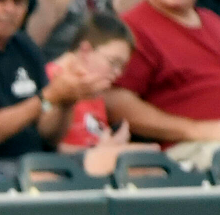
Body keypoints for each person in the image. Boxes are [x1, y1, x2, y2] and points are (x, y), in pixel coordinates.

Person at [0, 0, 108, 173]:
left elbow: (49, 135)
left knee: (114, 161)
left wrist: (66, 100)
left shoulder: (25, 46)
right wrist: (48, 97)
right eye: (0, 1)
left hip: (39, 158)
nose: (10, 9)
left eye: (18, 3)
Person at [104, 0, 220, 171]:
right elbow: (113, 102)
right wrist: (196, 130)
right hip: (192, 152)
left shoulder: (215, 21)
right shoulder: (132, 27)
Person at [47, 11, 151, 175]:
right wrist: (101, 151)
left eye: (122, 67)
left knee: (151, 155)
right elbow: (45, 146)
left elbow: (94, 136)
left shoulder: (96, 88)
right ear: (85, 51)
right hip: (65, 170)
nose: (117, 73)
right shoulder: (51, 80)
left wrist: (113, 143)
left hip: (96, 165)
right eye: (113, 63)